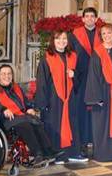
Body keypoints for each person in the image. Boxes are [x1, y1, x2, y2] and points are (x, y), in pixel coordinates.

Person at [0, 65, 59, 164]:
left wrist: (29, 108)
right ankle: (37, 153)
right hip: (5, 121)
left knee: (35, 122)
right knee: (25, 125)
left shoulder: (16, 88)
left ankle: (48, 151)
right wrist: (2, 110)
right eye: (3, 74)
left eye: (9, 74)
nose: (7, 76)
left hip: (20, 117)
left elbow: (25, 102)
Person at [37, 31, 87, 164]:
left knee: (72, 124)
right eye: (58, 39)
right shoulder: (47, 58)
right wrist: (43, 103)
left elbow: (80, 78)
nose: (62, 41)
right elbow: (42, 81)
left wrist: (73, 74)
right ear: (53, 41)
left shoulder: (73, 56)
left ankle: (73, 153)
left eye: (64, 38)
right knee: (56, 126)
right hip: (54, 99)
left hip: (71, 98)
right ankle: (58, 155)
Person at [85, 24, 112, 162]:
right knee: (102, 125)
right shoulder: (97, 52)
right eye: (103, 34)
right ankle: (102, 153)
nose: (107, 36)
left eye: (109, 33)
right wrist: (97, 98)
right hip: (102, 93)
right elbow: (93, 76)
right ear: (101, 36)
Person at [68, 7, 101, 147]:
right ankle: (82, 139)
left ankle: (95, 138)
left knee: (96, 107)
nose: (89, 18)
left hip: (98, 77)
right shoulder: (75, 34)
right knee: (81, 108)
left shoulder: (103, 34)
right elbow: (70, 54)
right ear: (82, 19)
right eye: (86, 16)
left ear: (96, 19)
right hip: (81, 77)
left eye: (92, 16)